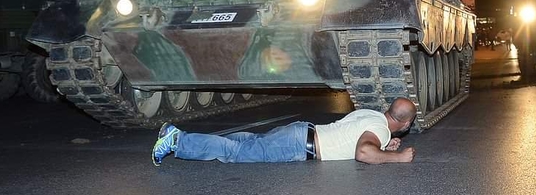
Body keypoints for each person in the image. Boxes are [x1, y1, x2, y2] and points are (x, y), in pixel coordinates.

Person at [152, 97, 417, 165]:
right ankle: (178, 141)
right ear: (405, 124)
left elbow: (353, 133)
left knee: (246, 142)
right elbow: (363, 152)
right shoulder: (380, 129)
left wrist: (383, 146)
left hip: (301, 131)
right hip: (298, 145)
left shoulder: (372, 116)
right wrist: (398, 157)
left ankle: (179, 136)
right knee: (235, 153)